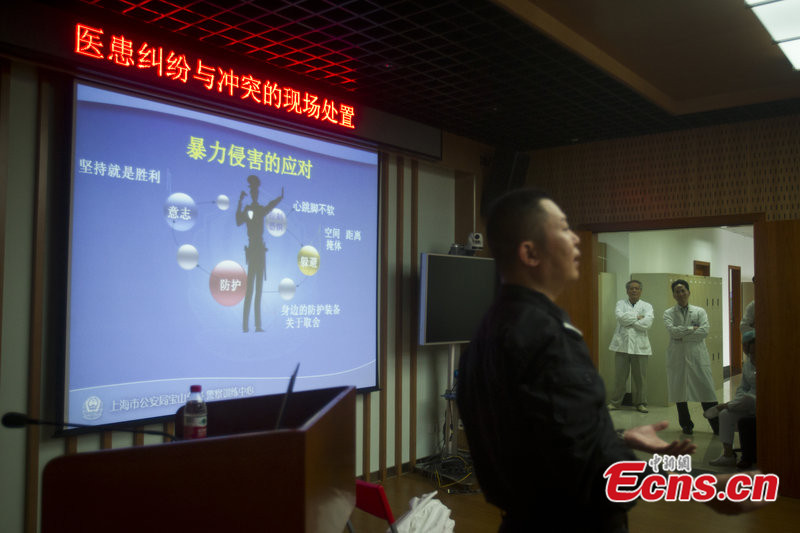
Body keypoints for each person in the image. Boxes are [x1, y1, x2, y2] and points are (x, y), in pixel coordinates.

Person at [456, 189, 696, 533]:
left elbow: (544, 438)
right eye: (564, 229)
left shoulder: (485, 333)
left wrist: (618, 436)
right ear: (530, 252)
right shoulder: (547, 337)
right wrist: (695, 484)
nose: (576, 240)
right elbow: (586, 471)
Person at [663, 279, 719, 436]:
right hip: (678, 356)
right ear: (673, 295)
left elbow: (704, 331)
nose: (680, 294)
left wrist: (682, 334)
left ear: (688, 292)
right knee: (680, 392)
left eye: (683, 290)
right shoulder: (668, 313)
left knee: (707, 391)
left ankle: (717, 425)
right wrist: (691, 329)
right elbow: (672, 332)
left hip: (697, 356)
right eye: (677, 291)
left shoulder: (700, 311)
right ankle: (686, 425)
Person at [236, 175, 284, 333]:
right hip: (253, 250)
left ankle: (257, 325)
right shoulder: (249, 209)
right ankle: (245, 326)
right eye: (253, 191)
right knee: (250, 290)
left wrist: (280, 198)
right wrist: (240, 202)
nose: (255, 193)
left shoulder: (260, 209)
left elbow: (270, 205)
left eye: (256, 191)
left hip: (259, 251)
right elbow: (238, 221)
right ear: (251, 193)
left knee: (258, 291)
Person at [707, 329, 757, 468]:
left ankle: (725, 405)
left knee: (748, 399)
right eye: (744, 345)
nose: (746, 348)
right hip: (745, 403)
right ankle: (728, 455)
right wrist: (739, 400)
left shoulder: (768, 360)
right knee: (725, 415)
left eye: (749, 345)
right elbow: (742, 387)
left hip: (763, 402)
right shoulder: (747, 363)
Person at [607, 279, 654, 413]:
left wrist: (630, 320)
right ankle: (615, 403)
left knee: (640, 378)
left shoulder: (647, 306)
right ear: (627, 291)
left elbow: (647, 323)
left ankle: (641, 403)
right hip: (622, 345)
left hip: (640, 347)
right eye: (631, 288)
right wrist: (638, 317)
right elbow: (621, 319)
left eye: (636, 288)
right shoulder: (620, 304)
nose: (634, 290)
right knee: (620, 377)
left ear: (640, 291)